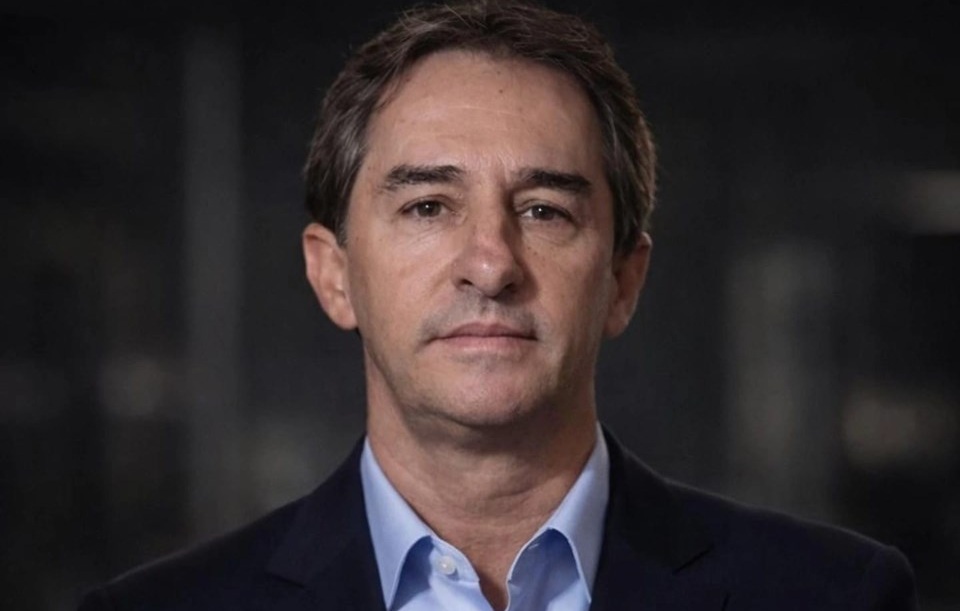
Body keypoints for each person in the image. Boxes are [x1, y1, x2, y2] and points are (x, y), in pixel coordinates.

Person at [79, 1, 919, 609]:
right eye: (428, 206)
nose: (490, 263)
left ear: (623, 279)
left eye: (545, 211)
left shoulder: (834, 595)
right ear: (334, 275)